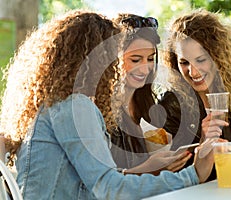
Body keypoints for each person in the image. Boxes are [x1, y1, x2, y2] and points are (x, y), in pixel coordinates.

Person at [0, 10, 216, 199]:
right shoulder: (74, 107)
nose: (113, 67)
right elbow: (110, 189)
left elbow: (99, 181)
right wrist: (193, 174)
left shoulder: (56, 103)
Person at [162, 8, 231, 180]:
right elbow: (174, 174)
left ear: (218, 57)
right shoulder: (172, 104)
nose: (193, 72)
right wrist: (204, 144)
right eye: (184, 62)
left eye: (200, 60)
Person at [107, 13, 193, 175]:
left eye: (150, 59)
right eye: (135, 59)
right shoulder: (102, 110)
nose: (145, 68)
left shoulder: (147, 104)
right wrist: (150, 169)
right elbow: (101, 182)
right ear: (114, 59)